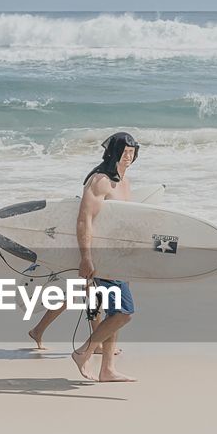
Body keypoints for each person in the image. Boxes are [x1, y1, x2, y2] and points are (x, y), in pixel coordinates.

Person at [71, 132, 138, 382]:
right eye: (124, 151)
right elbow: (83, 220)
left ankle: (107, 369)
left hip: (119, 258)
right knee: (124, 312)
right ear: (113, 152)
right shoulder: (99, 181)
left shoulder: (124, 181)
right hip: (102, 258)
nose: (129, 157)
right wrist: (86, 258)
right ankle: (84, 351)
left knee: (114, 313)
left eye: (133, 152)